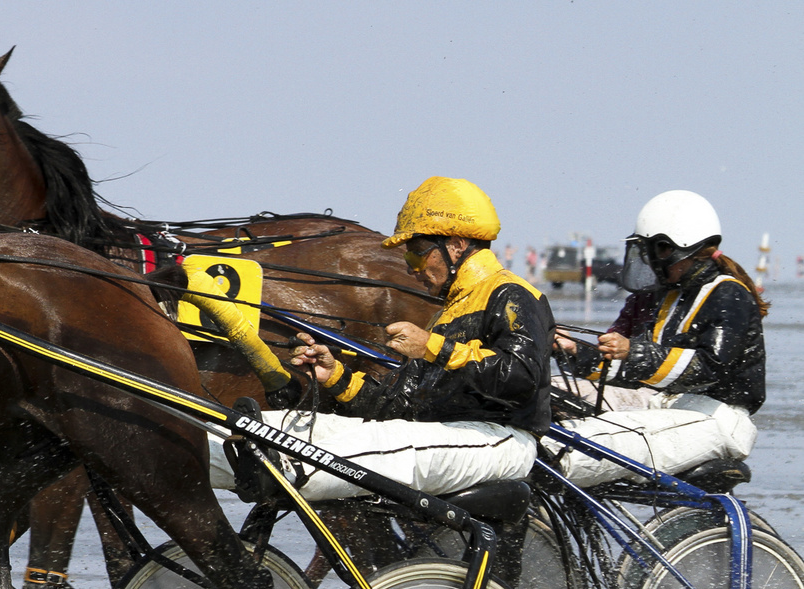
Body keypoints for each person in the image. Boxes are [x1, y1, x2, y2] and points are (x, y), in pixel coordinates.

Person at [212, 176, 553, 509]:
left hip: (499, 441)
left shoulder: (511, 293)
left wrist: (432, 348)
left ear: (456, 245)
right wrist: (336, 377)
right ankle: (195, 455)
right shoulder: (447, 314)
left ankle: (282, 470)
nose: (411, 268)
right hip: (447, 437)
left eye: (417, 254)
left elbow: (522, 377)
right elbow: (399, 405)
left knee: (370, 444)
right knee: (263, 428)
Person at [552, 190, 764, 486]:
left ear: (682, 247)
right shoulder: (666, 297)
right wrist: (575, 353)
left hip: (717, 417)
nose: (651, 262)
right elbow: (636, 369)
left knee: (572, 446)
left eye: (658, 251)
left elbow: (710, 367)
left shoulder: (729, 294)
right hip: (663, 403)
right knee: (544, 396)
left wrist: (632, 351)